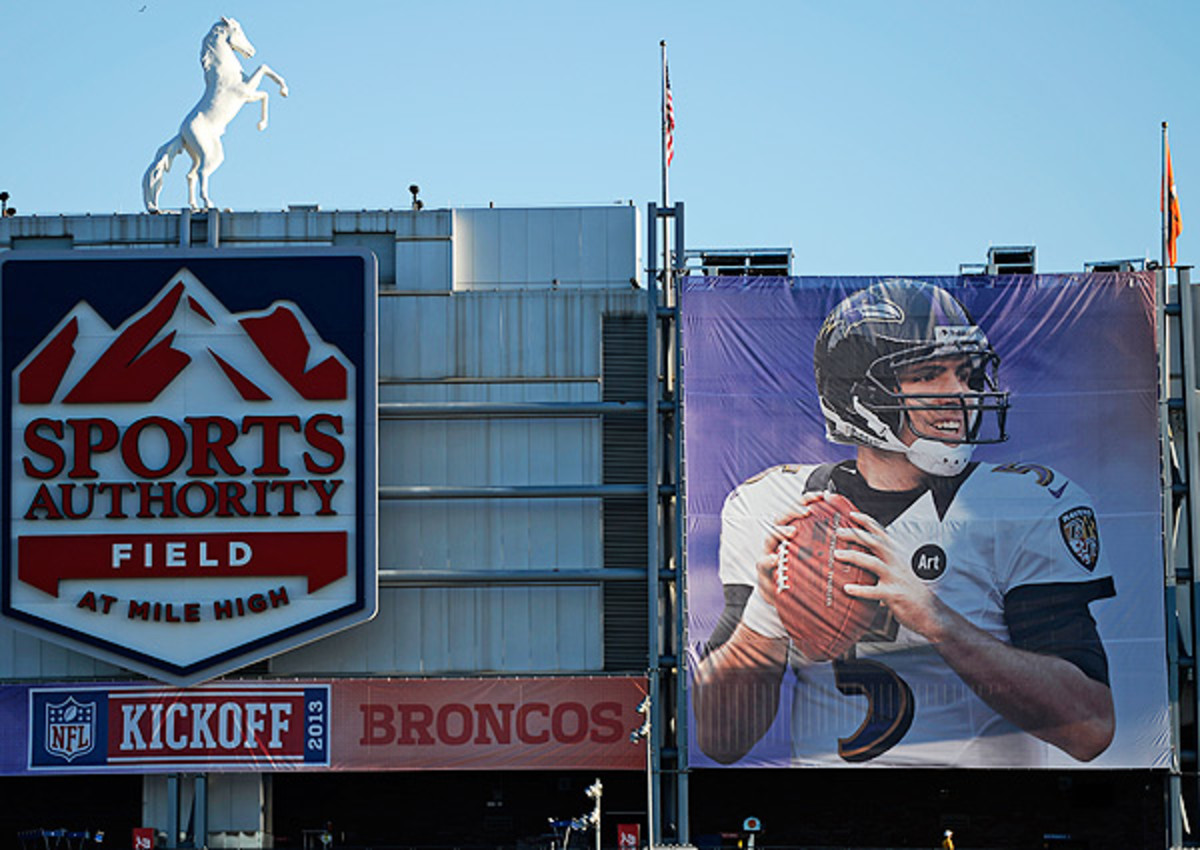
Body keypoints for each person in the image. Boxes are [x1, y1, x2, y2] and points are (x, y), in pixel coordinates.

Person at [693, 279, 1116, 767]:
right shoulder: (780, 508)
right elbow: (721, 739)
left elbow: (1090, 730)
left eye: (968, 373)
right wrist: (766, 615)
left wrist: (937, 621)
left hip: (988, 818)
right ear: (858, 393)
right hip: (829, 821)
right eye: (928, 374)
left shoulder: (1021, 503)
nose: (959, 393)